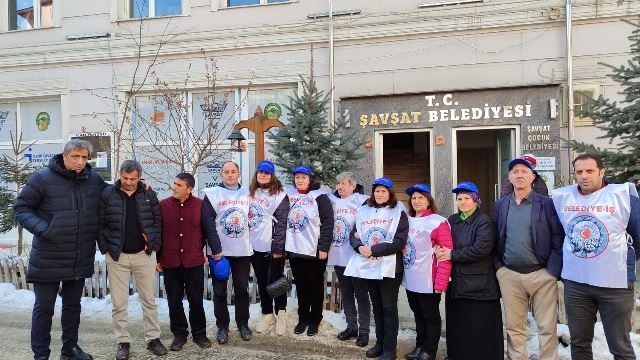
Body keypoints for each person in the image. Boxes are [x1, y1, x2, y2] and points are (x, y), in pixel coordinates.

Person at [14, 139, 103, 360]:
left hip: (79, 256)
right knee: (44, 308)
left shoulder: (94, 180)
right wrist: (45, 230)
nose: (80, 162)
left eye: (84, 157)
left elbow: (113, 197)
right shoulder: (42, 178)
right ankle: (41, 354)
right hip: (49, 256)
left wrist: (138, 186)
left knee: (73, 306)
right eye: (75, 156)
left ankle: (69, 349)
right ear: (64, 156)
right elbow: (21, 207)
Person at [551, 153, 640, 360]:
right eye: (579, 172)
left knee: (620, 346)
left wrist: (624, 261)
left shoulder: (622, 195)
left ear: (602, 172)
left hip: (615, 284)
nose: (584, 176)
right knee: (580, 344)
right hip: (576, 284)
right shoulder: (563, 197)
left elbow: (638, 233)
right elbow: (558, 235)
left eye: (589, 171)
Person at [493, 158, 564, 360]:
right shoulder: (501, 205)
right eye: (515, 171)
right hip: (510, 275)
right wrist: (499, 268)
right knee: (514, 327)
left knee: (546, 326)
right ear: (509, 177)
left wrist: (552, 271)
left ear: (533, 176)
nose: (519, 175)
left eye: (524, 171)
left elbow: (558, 236)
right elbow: (496, 236)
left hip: (542, 275)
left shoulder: (547, 204)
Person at [97, 160, 166, 359]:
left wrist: (154, 247)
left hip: (144, 255)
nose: (128, 182)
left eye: (133, 179)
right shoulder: (108, 194)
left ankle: (153, 338)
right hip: (117, 256)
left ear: (139, 176)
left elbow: (157, 222)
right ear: (120, 174)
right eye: (125, 178)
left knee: (149, 301)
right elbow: (100, 223)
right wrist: (105, 248)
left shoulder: (148, 193)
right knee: (119, 303)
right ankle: (123, 342)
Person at [435, 181, 503, 360]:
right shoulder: (452, 220)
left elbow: (481, 249)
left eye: (467, 198)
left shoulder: (484, 222)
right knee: (458, 326)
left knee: (479, 327)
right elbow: (443, 241)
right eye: (459, 199)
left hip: (479, 286)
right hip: (456, 284)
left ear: (476, 200)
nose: (462, 202)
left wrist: (451, 254)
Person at [346, 177, 408, 360]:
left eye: (384, 191)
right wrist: (359, 247)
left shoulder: (399, 212)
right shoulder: (364, 211)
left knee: (388, 308)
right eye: (377, 191)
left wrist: (373, 249)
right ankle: (380, 343)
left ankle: (390, 349)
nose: (379, 194)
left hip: (390, 267)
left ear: (390, 193)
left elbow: (399, 242)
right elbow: (353, 234)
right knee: (377, 307)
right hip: (369, 266)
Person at [157, 172, 212, 351]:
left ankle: (199, 334)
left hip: (193, 262)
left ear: (189, 189)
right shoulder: (163, 205)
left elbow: (207, 231)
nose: (174, 187)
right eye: (174, 183)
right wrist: (158, 258)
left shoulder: (200, 205)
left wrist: (206, 252)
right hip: (170, 261)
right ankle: (179, 334)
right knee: (174, 300)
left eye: (179, 185)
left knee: (196, 300)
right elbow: (157, 234)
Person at [202, 161, 253, 344]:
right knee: (219, 291)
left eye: (233, 172)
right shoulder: (212, 194)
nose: (230, 175)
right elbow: (207, 223)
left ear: (238, 173)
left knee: (241, 288)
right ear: (221, 175)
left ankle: (243, 324)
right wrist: (216, 250)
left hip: (242, 251)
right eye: (226, 172)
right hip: (219, 252)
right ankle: (222, 326)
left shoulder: (248, 193)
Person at [402, 184, 452, 360]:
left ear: (428, 200)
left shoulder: (438, 221)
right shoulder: (406, 219)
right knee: (418, 314)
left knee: (430, 316)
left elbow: (446, 254)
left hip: (428, 279)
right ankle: (419, 346)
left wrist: (441, 282)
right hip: (410, 278)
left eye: (420, 197)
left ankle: (429, 351)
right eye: (413, 198)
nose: (416, 201)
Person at [285, 165, 334, 337]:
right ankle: (303, 318)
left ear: (310, 179)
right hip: (295, 250)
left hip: (314, 251)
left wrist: (324, 247)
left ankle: (315, 319)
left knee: (315, 286)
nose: (300, 180)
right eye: (297, 177)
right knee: (302, 285)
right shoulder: (289, 195)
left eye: (303, 177)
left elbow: (328, 222)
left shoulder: (320, 197)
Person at [327, 172, 370, 347]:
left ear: (353, 185)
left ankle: (364, 331)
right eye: (338, 183)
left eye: (344, 183)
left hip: (355, 255)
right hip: (338, 254)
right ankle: (351, 326)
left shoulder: (362, 200)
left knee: (361, 294)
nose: (340, 186)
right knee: (346, 293)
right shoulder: (332, 200)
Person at [248, 160, 290, 336]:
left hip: (273, 245)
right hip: (254, 244)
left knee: (276, 280)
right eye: (260, 172)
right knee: (262, 280)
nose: (263, 175)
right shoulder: (250, 193)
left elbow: (282, 223)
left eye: (266, 173)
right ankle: (267, 313)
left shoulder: (280, 194)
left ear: (272, 175)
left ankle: (281, 313)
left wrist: (278, 247)